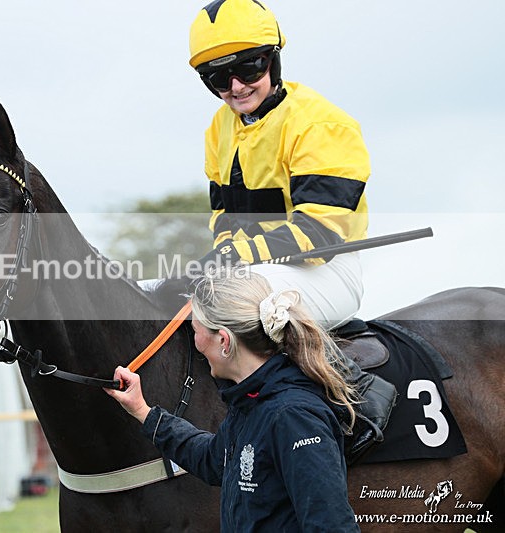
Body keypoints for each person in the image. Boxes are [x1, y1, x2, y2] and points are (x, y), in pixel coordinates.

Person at [180, 0, 396, 457]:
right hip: (257, 271)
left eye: (249, 68)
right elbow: (225, 220)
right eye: (218, 78)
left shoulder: (321, 123)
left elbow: (320, 233)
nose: (236, 86)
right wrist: (224, 253)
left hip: (324, 269)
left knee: (238, 306)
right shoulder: (218, 129)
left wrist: (235, 257)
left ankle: (354, 394)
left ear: (274, 58)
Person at [107, 270, 360, 532]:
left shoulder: (293, 417)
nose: (195, 342)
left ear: (224, 341)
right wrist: (142, 411)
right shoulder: (251, 403)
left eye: (195, 331)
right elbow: (212, 460)